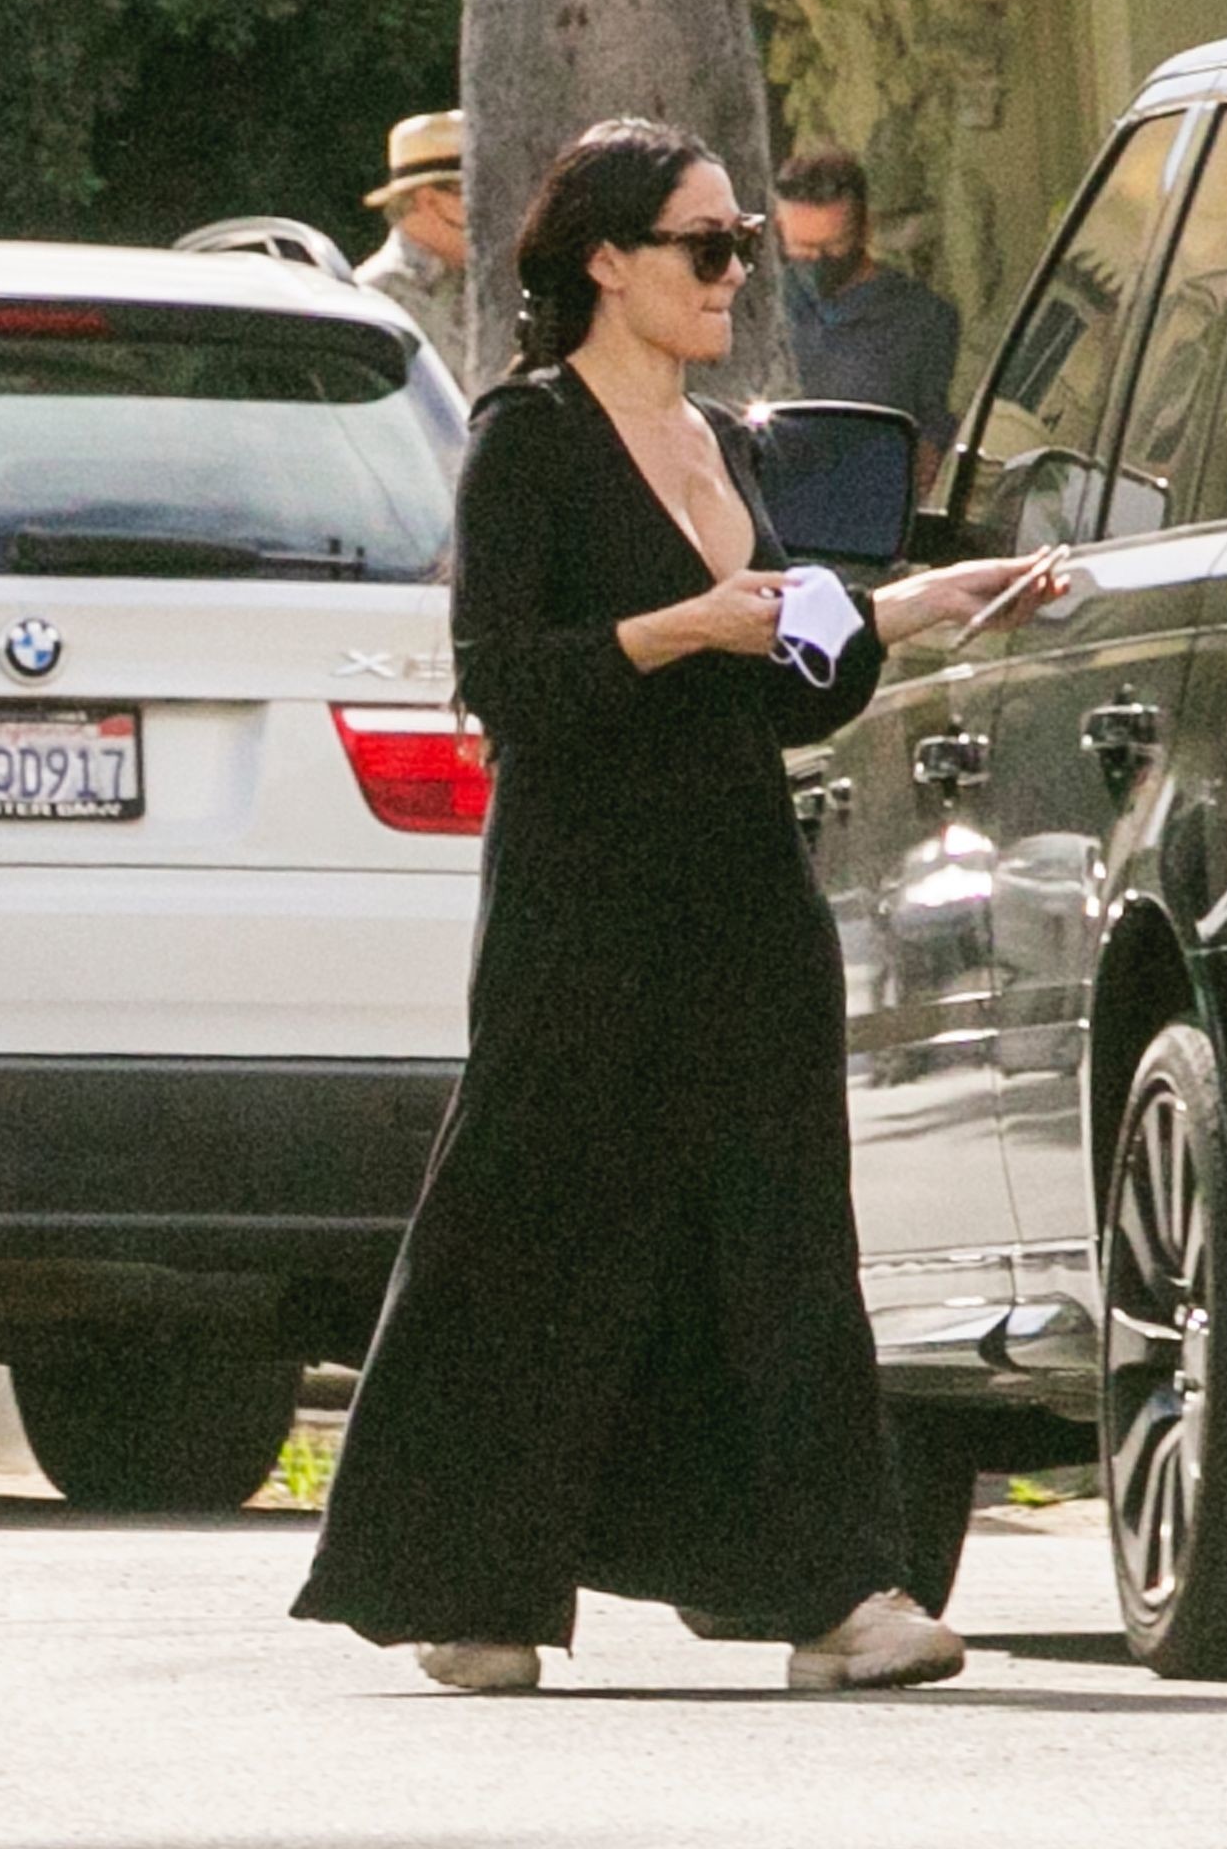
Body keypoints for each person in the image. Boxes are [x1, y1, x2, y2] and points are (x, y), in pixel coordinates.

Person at [290, 116, 1062, 1694]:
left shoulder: (726, 443)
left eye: (742, 245)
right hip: (583, 907)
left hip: (745, 897)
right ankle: (470, 1590)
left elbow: (780, 691)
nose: (734, 273)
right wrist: (683, 626)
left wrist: (902, 615)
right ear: (606, 262)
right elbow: (506, 683)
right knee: (536, 1234)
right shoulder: (529, 439)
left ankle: (841, 1599)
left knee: (786, 1246)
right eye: (707, 246)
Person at [775, 149, 960, 495]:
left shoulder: (924, 318)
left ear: (865, 230)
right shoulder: (763, 307)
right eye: (802, 247)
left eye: (833, 246)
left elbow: (938, 432)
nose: (817, 262)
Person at [356, 108, 468, 386]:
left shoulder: (494, 285)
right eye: (474, 193)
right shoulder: (372, 297)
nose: (494, 207)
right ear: (428, 200)